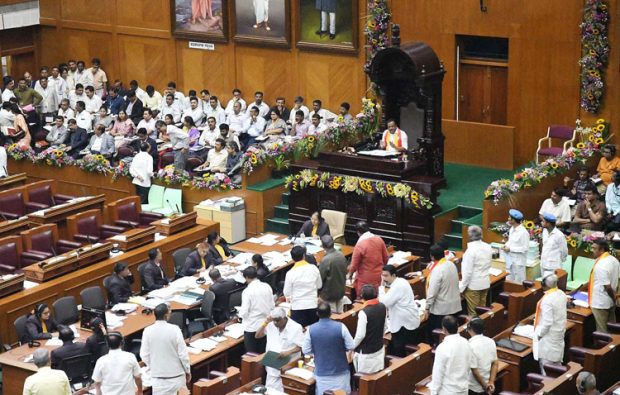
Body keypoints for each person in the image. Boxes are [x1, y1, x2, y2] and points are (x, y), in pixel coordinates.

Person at [302, 302, 355, 395]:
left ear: (317, 314)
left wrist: (317, 351)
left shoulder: (310, 329)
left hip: (322, 375)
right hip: (341, 373)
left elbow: (305, 350)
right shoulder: (341, 327)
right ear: (331, 313)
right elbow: (351, 346)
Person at [140, 303, 191, 394]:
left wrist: (154, 366)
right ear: (166, 315)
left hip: (158, 380)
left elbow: (144, 355)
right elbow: (183, 355)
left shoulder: (147, 331)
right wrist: (187, 370)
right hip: (177, 377)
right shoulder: (175, 329)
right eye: (170, 312)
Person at [256, 307, 304, 391]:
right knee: (270, 391)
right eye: (273, 320)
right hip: (272, 364)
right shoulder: (270, 324)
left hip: (287, 365)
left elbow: (301, 346)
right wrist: (265, 322)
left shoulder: (295, 327)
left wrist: (287, 352)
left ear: (284, 318)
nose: (275, 323)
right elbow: (257, 335)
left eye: (277, 320)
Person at [379, 264, 420, 356]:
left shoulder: (397, 286)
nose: (383, 278)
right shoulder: (402, 281)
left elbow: (384, 303)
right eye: (382, 275)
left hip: (403, 324)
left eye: (386, 276)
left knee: (399, 350)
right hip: (409, 319)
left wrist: (381, 287)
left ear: (393, 275)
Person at [430, 316, 474, 395]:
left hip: (448, 391)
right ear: (457, 326)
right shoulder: (466, 343)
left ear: (444, 329)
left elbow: (438, 373)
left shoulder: (442, 348)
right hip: (464, 389)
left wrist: (433, 392)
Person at [426, 244, 461, 340]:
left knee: (437, 336)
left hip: (441, 310)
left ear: (431, 256)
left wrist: (427, 307)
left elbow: (432, 292)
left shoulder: (437, 270)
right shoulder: (451, 264)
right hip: (454, 305)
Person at [534, 273, 567, 374]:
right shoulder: (561, 294)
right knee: (556, 367)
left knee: (546, 370)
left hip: (548, 339)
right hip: (559, 334)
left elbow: (547, 323)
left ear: (544, 284)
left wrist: (539, 335)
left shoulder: (547, 300)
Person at [239, 266, 275, 353]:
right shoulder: (267, 286)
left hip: (252, 327)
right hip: (266, 325)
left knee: (252, 355)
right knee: (264, 351)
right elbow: (272, 305)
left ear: (246, 277)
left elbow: (244, 312)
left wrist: (239, 315)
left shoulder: (247, 292)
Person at [284, 245, 322, 327]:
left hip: (297, 308)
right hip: (312, 306)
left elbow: (286, 293)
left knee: (299, 333)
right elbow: (319, 285)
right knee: (312, 330)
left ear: (292, 258)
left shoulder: (290, 273)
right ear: (304, 256)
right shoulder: (314, 268)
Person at [349, 221, 389, 297]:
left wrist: (349, 275)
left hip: (365, 279)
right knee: (377, 297)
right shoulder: (379, 239)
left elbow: (354, 265)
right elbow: (386, 258)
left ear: (358, 232)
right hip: (379, 276)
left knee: (364, 301)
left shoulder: (359, 245)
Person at [460, 225, 492, 317]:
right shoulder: (487, 247)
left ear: (469, 237)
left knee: (473, 314)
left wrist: (461, 288)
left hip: (473, 286)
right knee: (482, 311)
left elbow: (467, 273)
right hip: (485, 282)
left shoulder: (470, 252)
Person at [352, 285, 386, 374]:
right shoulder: (382, 306)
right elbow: (384, 326)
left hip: (366, 353)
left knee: (366, 381)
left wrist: (352, 346)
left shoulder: (364, 312)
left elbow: (360, 335)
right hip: (379, 348)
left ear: (362, 298)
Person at [589, 239, 620, 333]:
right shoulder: (614, 260)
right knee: (612, 328)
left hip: (600, 303)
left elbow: (608, 287)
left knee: (602, 332)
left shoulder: (601, 265)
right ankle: (614, 346)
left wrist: (615, 297)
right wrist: (616, 297)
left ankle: (603, 347)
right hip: (610, 302)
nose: (592, 250)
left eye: (594, 249)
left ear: (602, 250)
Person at [467, 318, 498, 395]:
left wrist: (485, 386)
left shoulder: (469, 345)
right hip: (487, 384)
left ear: (469, 329)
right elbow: (495, 363)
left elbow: (475, 371)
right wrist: (491, 382)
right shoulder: (491, 341)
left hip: (472, 388)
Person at [318, 235, 348, 313]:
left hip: (329, 295)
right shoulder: (341, 255)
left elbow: (320, 279)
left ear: (323, 246)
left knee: (332, 317)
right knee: (341, 316)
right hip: (340, 292)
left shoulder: (326, 260)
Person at [502, 209, 529, 283]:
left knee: (518, 283)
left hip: (518, 262)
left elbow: (525, 248)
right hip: (510, 261)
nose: (508, 219)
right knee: (509, 281)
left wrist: (510, 249)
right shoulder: (512, 229)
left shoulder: (523, 232)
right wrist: (506, 245)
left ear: (514, 220)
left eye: (509, 217)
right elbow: (511, 241)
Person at [540, 213, 568, 278]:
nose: (542, 222)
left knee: (552, 286)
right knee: (544, 286)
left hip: (553, 267)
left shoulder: (559, 235)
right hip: (543, 264)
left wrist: (558, 261)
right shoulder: (544, 231)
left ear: (548, 224)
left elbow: (564, 251)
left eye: (543, 221)